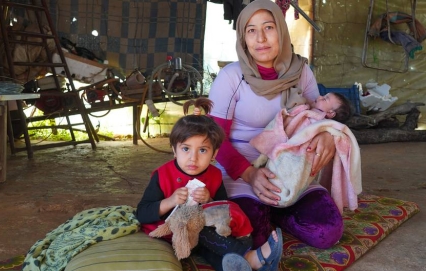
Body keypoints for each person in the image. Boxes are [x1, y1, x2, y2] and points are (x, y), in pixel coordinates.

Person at [208, 0, 345, 250]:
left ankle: (279, 211)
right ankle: (267, 210)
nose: (261, 38)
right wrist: (250, 175)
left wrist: (326, 136)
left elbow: (319, 115)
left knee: (327, 232)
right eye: (251, 30)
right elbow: (214, 140)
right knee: (252, 239)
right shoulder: (230, 77)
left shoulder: (301, 71)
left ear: (281, 30)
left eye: (269, 27)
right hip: (242, 167)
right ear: (243, 37)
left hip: (292, 168)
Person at [135, 97, 283, 271]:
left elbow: (224, 210)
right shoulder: (162, 175)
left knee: (213, 246)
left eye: (203, 150)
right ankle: (251, 257)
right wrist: (171, 201)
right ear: (174, 149)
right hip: (171, 233)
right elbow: (142, 214)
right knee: (205, 234)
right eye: (185, 149)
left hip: (198, 237)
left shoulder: (214, 175)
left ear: (215, 153)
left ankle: (238, 267)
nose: (193, 158)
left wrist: (209, 200)